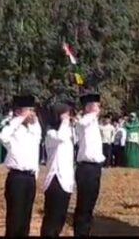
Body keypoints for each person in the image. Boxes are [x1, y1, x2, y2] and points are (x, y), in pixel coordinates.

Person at [0, 94, 41, 238]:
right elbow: (2, 136)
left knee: (25, 219)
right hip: (17, 177)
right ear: (18, 111)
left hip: (30, 177)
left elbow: (37, 142)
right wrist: (20, 119)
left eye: (32, 110)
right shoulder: (12, 129)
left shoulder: (34, 129)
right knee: (14, 218)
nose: (32, 113)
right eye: (28, 110)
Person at [40, 102, 74, 238]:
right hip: (55, 179)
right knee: (51, 218)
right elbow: (60, 138)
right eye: (65, 113)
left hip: (66, 180)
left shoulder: (67, 131)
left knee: (61, 217)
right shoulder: (51, 133)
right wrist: (65, 122)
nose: (68, 116)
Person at [74, 92, 104, 237]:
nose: (99, 109)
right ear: (88, 108)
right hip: (86, 168)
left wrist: (93, 112)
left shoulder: (93, 122)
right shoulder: (84, 121)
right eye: (96, 106)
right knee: (83, 206)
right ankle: (80, 233)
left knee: (90, 205)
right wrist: (91, 112)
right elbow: (82, 122)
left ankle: (85, 232)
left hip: (95, 168)